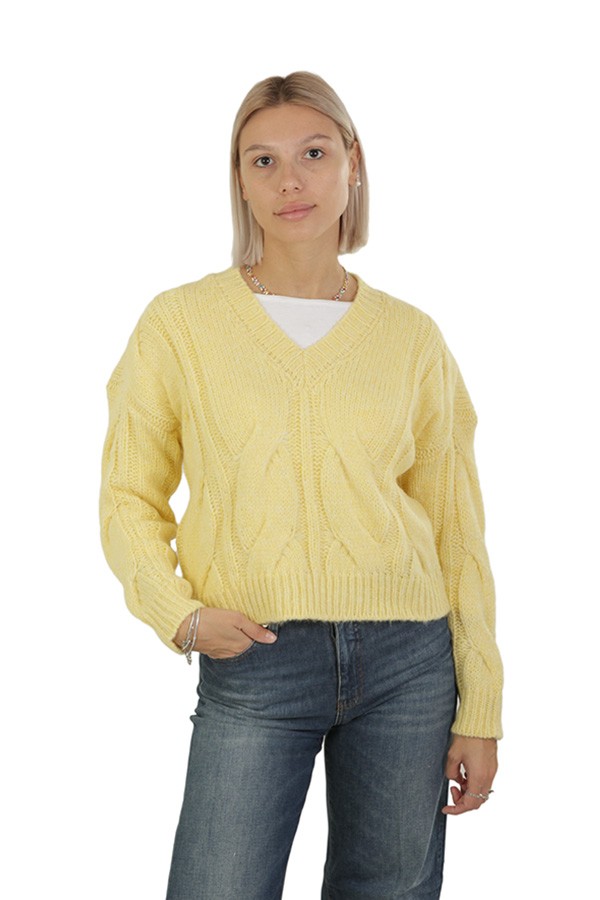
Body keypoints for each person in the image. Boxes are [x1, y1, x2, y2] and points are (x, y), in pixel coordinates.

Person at [100, 71, 503, 900]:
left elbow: (458, 527)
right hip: (257, 658)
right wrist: (178, 614)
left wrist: (482, 706)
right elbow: (128, 493)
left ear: (353, 163)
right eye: (264, 161)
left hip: (410, 663)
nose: (290, 180)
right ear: (240, 181)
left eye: (313, 154)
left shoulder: (412, 337)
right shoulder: (180, 324)